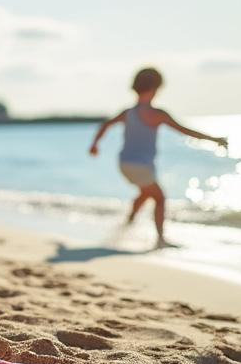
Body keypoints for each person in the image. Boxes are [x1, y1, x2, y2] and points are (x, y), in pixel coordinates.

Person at [89, 67, 228, 248]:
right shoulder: (158, 114)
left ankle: (127, 223)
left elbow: (105, 125)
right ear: (155, 88)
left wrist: (95, 145)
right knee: (160, 198)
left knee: (145, 193)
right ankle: (160, 240)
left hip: (124, 164)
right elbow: (185, 131)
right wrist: (214, 139)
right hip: (141, 166)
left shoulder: (127, 112)